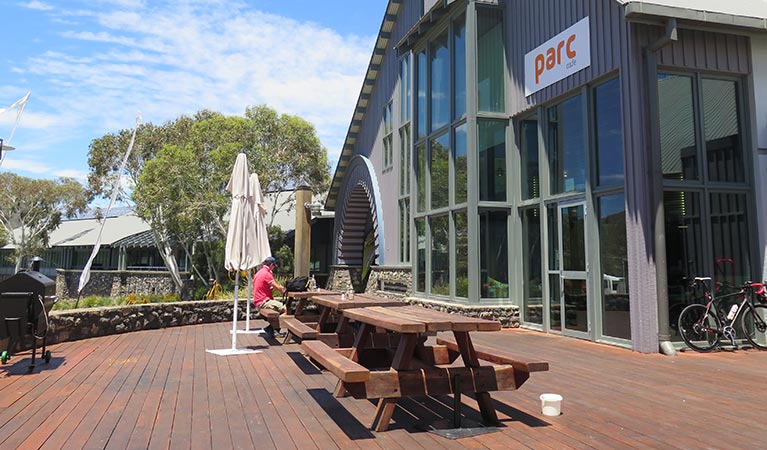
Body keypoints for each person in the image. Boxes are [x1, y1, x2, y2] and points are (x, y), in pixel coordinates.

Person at [253, 256, 286, 337]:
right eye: (274, 266)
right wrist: (285, 289)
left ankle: (271, 328)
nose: (273, 268)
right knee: (286, 309)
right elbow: (279, 288)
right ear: (271, 265)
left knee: (279, 309)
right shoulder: (266, 274)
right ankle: (274, 329)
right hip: (264, 302)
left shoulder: (259, 273)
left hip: (258, 302)